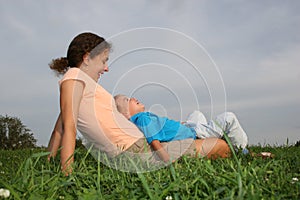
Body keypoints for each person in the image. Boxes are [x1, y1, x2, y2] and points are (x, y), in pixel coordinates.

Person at [47, 32, 230, 174]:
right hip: (136, 151)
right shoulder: (74, 78)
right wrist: (66, 174)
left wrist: (48, 162)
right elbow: (68, 127)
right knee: (221, 146)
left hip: (138, 146)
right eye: (103, 61)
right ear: (87, 58)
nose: (106, 68)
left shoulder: (77, 84)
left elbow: (59, 129)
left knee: (202, 139)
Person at [114, 94, 248, 161]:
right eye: (127, 100)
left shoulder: (142, 118)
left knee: (197, 114)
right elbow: (153, 141)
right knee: (228, 118)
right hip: (196, 134)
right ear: (126, 114)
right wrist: (166, 159)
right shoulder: (142, 119)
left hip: (189, 127)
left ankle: (220, 134)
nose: (132, 98)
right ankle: (241, 151)